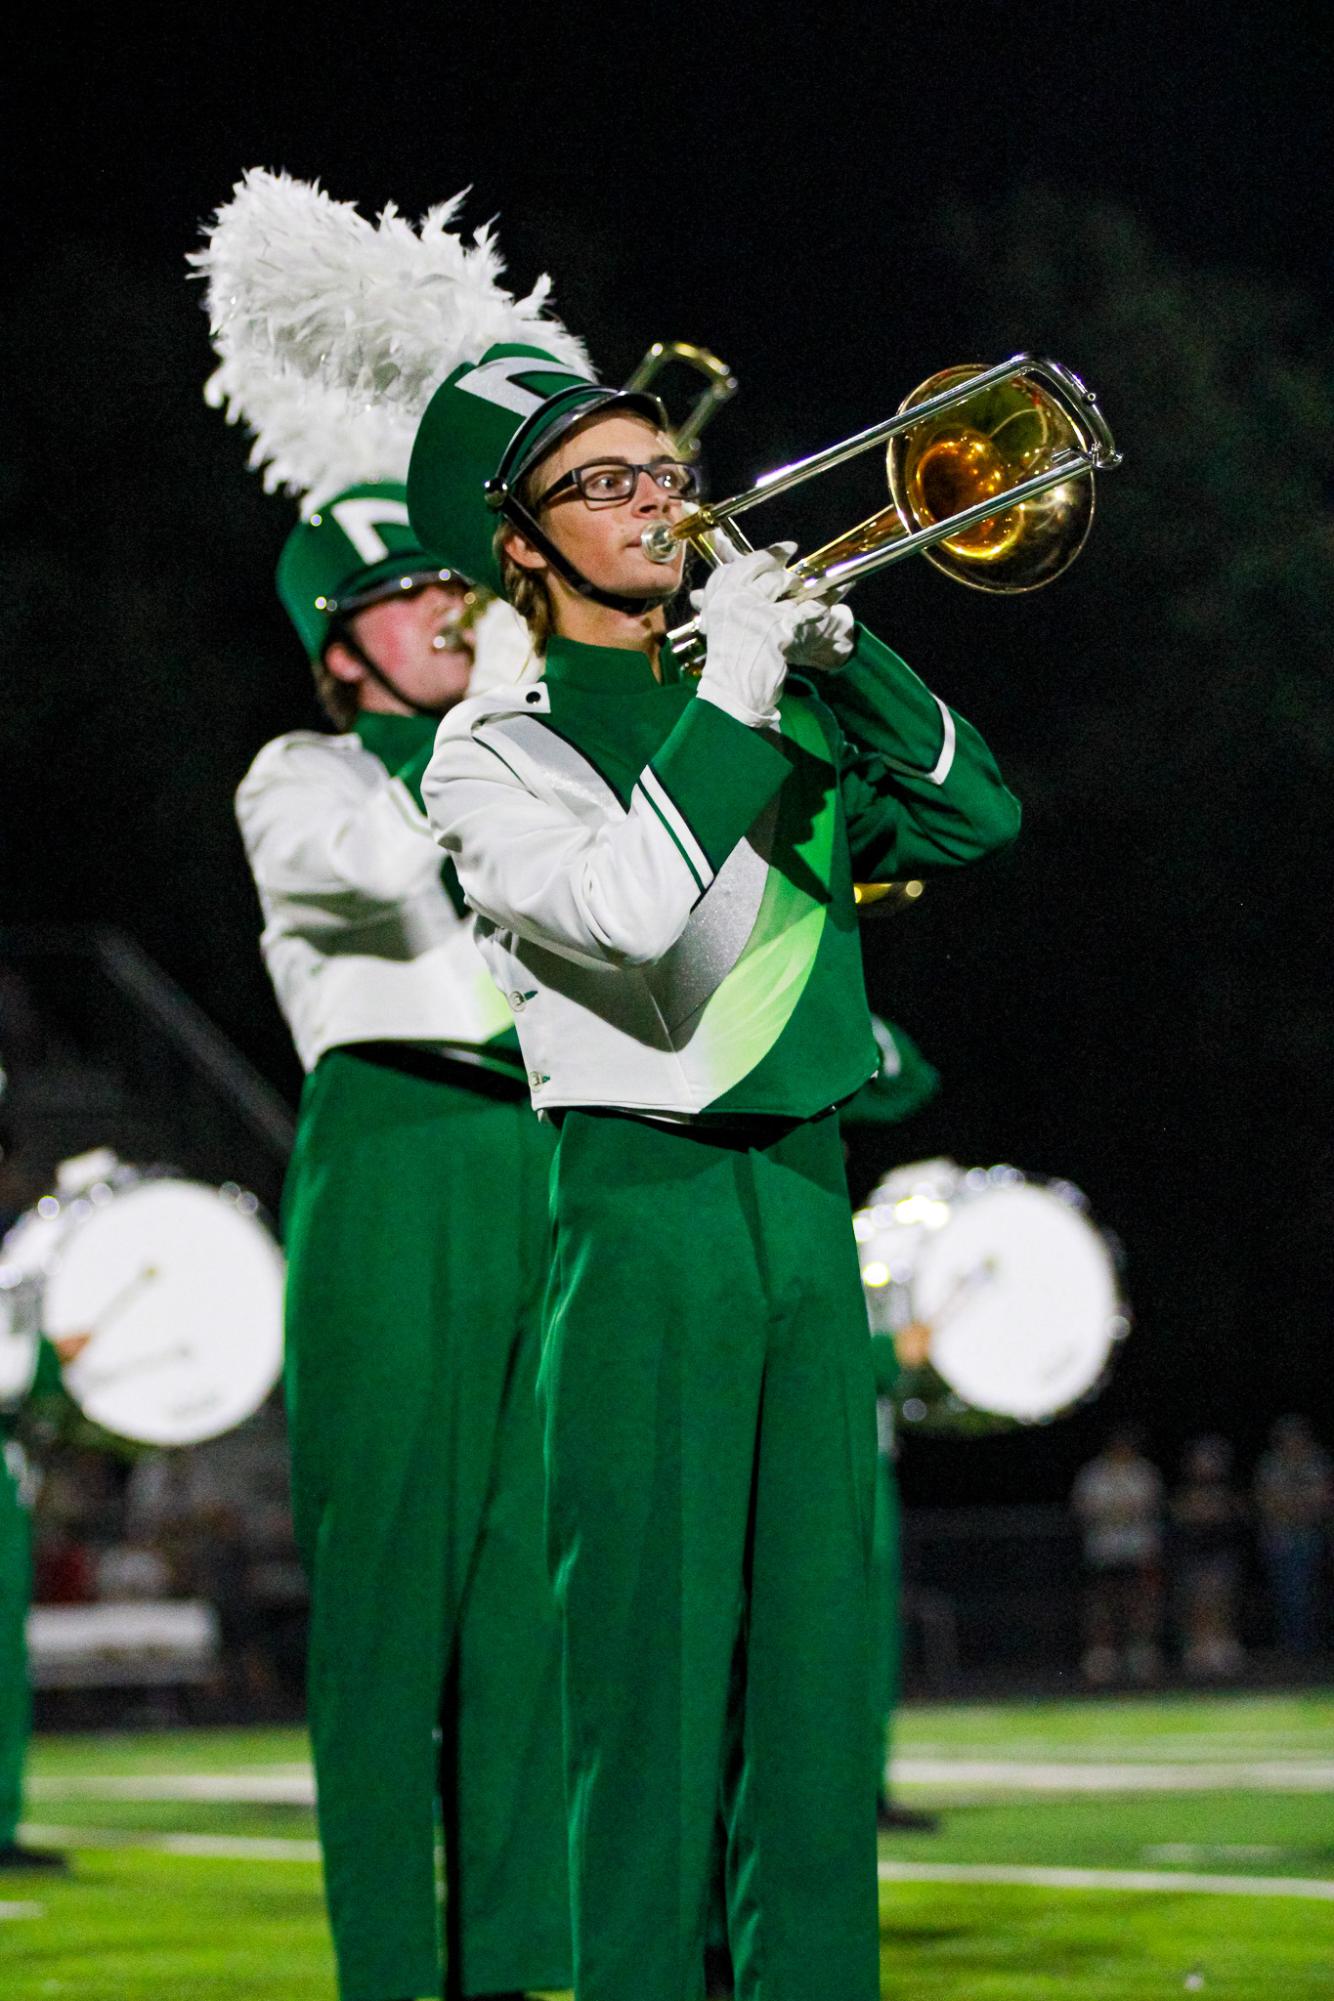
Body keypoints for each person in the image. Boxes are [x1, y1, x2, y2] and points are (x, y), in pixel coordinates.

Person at [407, 340, 1021, 2001]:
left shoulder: (775, 695)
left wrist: (846, 643)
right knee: (650, 1680)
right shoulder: (493, 750)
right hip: (642, 1202)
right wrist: (740, 686)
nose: (653, 500)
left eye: (658, 472)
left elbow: (979, 819)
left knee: (815, 1680)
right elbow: (625, 918)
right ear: (520, 549)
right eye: (598, 485)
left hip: (804, 1207)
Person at [233, 491, 570, 2001]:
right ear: (337, 641)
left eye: (457, 581)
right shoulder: (297, 772)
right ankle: (387, 1973)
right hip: (391, 1151)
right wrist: (499, 698)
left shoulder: (522, 761)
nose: (448, 607)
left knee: (525, 1599)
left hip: (544, 1155)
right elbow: (373, 874)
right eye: (405, 595)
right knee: (384, 1605)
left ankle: (511, 1968)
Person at [1071, 1427, 1165, 1685]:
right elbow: (1085, 1507)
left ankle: (1140, 1653)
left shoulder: (1143, 1472)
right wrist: (1118, 1511)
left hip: (1138, 1550)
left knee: (1141, 1604)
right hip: (1104, 1551)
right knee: (1103, 1605)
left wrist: (1117, 1511)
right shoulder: (1093, 1474)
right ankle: (1102, 1655)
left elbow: (1147, 1505)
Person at [1169, 1435, 1247, 1678]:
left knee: (1222, 1600)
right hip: (1194, 1554)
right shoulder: (1185, 1489)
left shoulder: (1229, 1488)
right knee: (1197, 1602)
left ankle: (1221, 1645)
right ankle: (1198, 1648)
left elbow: (1235, 1514)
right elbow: (1181, 1514)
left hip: (1221, 1552)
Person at [1254, 1415, 1331, 1658]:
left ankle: (1312, 1648)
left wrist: (1298, 1508)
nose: (1292, 1442)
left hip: (1311, 1536)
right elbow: (1266, 1501)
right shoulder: (1271, 1464)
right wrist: (1294, 1507)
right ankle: (1291, 1649)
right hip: (1280, 1539)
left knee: (1310, 1594)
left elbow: (1322, 1500)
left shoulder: (1317, 1462)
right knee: (1287, 1594)